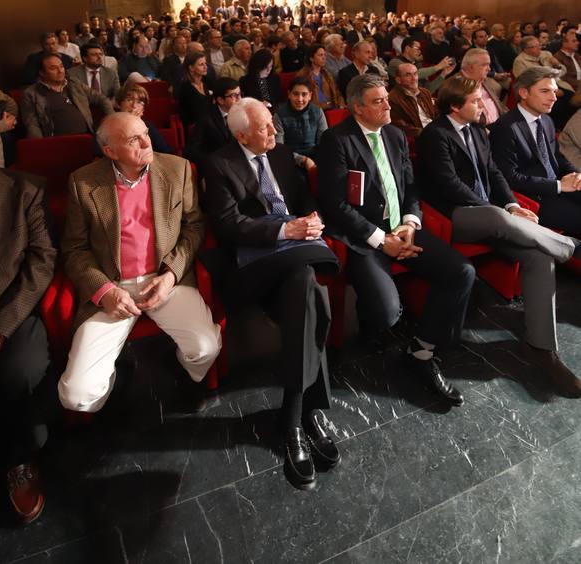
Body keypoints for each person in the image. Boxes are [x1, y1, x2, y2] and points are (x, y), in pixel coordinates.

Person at [203, 99, 341, 490]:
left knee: (305, 287)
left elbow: (301, 198)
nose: (275, 133)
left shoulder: (278, 154)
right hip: (257, 260)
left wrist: (312, 219)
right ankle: (309, 411)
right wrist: (285, 232)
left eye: (273, 125)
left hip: (295, 253)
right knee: (314, 295)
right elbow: (229, 225)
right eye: (265, 127)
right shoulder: (219, 163)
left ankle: (293, 419)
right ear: (241, 133)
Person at [317, 73, 475, 406]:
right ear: (358, 109)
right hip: (365, 236)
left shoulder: (395, 135)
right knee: (388, 314)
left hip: (403, 229)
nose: (389, 105)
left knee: (462, 272)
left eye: (387, 98)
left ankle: (421, 351)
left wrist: (410, 221)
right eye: (379, 101)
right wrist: (380, 239)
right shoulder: (337, 140)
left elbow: (411, 186)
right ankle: (373, 316)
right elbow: (335, 205)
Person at [417, 77, 581, 396]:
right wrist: (496, 209)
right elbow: (450, 185)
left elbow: (494, 173)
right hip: (455, 216)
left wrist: (512, 204)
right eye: (476, 101)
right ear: (455, 106)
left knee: (538, 256)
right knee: (495, 215)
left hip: (493, 215)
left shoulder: (478, 130)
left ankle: (542, 348)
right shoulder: (434, 135)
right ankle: (570, 246)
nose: (484, 105)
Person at [58, 112, 221, 414]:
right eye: (134, 139)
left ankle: (182, 370)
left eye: (146, 132)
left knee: (205, 348)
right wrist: (105, 291)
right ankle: (116, 380)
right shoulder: (83, 182)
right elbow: (74, 248)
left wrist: (171, 274)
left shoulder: (178, 169)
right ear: (109, 151)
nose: (147, 142)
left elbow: (195, 226)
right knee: (76, 396)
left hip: (163, 280)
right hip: (112, 286)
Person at [0, 134, 56, 523]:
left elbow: (41, 264)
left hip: (13, 311)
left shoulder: (28, 188)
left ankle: (20, 460)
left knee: (18, 371)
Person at [490, 67, 581, 235]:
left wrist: (576, 175)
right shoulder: (505, 127)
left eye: (554, 91)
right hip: (533, 198)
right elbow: (509, 178)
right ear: (524, 93)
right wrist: (559, 186)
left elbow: (557, 157)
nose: (553, 98)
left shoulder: (546, 120)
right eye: (545, 91)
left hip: (559, 187)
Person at [21, 53, 113, 137]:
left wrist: (111, 119)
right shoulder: (31, 93)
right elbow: (32, 125)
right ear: (42, 73)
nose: (60, 71)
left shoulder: (74, 83)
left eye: (61, 66)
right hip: (59, 142)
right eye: (53, 68)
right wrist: (42, 146)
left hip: (87, 137)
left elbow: (101, 99)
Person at [184, 77, 241, 173]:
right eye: (233, 96)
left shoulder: (244, 114)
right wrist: (212, 163)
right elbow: (192, 149)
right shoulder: (206, 117)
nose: (239, 99)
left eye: (239, 94)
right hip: (217, 167)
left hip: (240, 164)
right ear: (220, 100)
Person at [273, 76, 328, 170]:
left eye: (304, 94)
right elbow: (279, 148)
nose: (300, 99)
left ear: (310, 95)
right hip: (290, 159)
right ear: (289, 94)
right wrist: (303, 160)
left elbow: (324, 142)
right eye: (295, 94)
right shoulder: (279, 114)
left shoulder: (318, 112)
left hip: (316, 157)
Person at [113, 84, 174, 154]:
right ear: (119, 104)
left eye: (139, 102)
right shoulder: (110, 126)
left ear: (143, 109)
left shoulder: (149, 127)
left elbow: (167, 153)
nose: (134, 106)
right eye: (129, 100)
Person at [388, 61, 436, 138]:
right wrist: (424, 132)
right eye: (408, 75)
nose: (414, 78)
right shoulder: (393, 98)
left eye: (415, 74)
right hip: (419, 136)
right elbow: (400, 126)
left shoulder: (425, 92)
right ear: (398, 80)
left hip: (433, 130)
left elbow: (435, 114)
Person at [459, 48, 506, 125]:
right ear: (471, 67)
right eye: (484, 65)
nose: (489, 69)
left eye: (489, 65)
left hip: (499, 125)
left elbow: (500, 107)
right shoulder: (457, 86)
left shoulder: (484, 81)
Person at [296, 44, 342, 110]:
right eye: (320, 55)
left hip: (330, 107)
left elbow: (336, 91)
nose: (324, 58)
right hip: (313, 109)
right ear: (311, 59)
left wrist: (340, 103)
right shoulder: (303, 75)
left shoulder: (327, 74)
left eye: (324, 55)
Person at [177, 49, 214, 128]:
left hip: (208, 123)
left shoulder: (206, 82)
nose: (205, 67)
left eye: (205, 63)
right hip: (196, 127)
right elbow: (193, 114)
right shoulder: (186, 88)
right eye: (201, 64)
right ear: (191, 68)